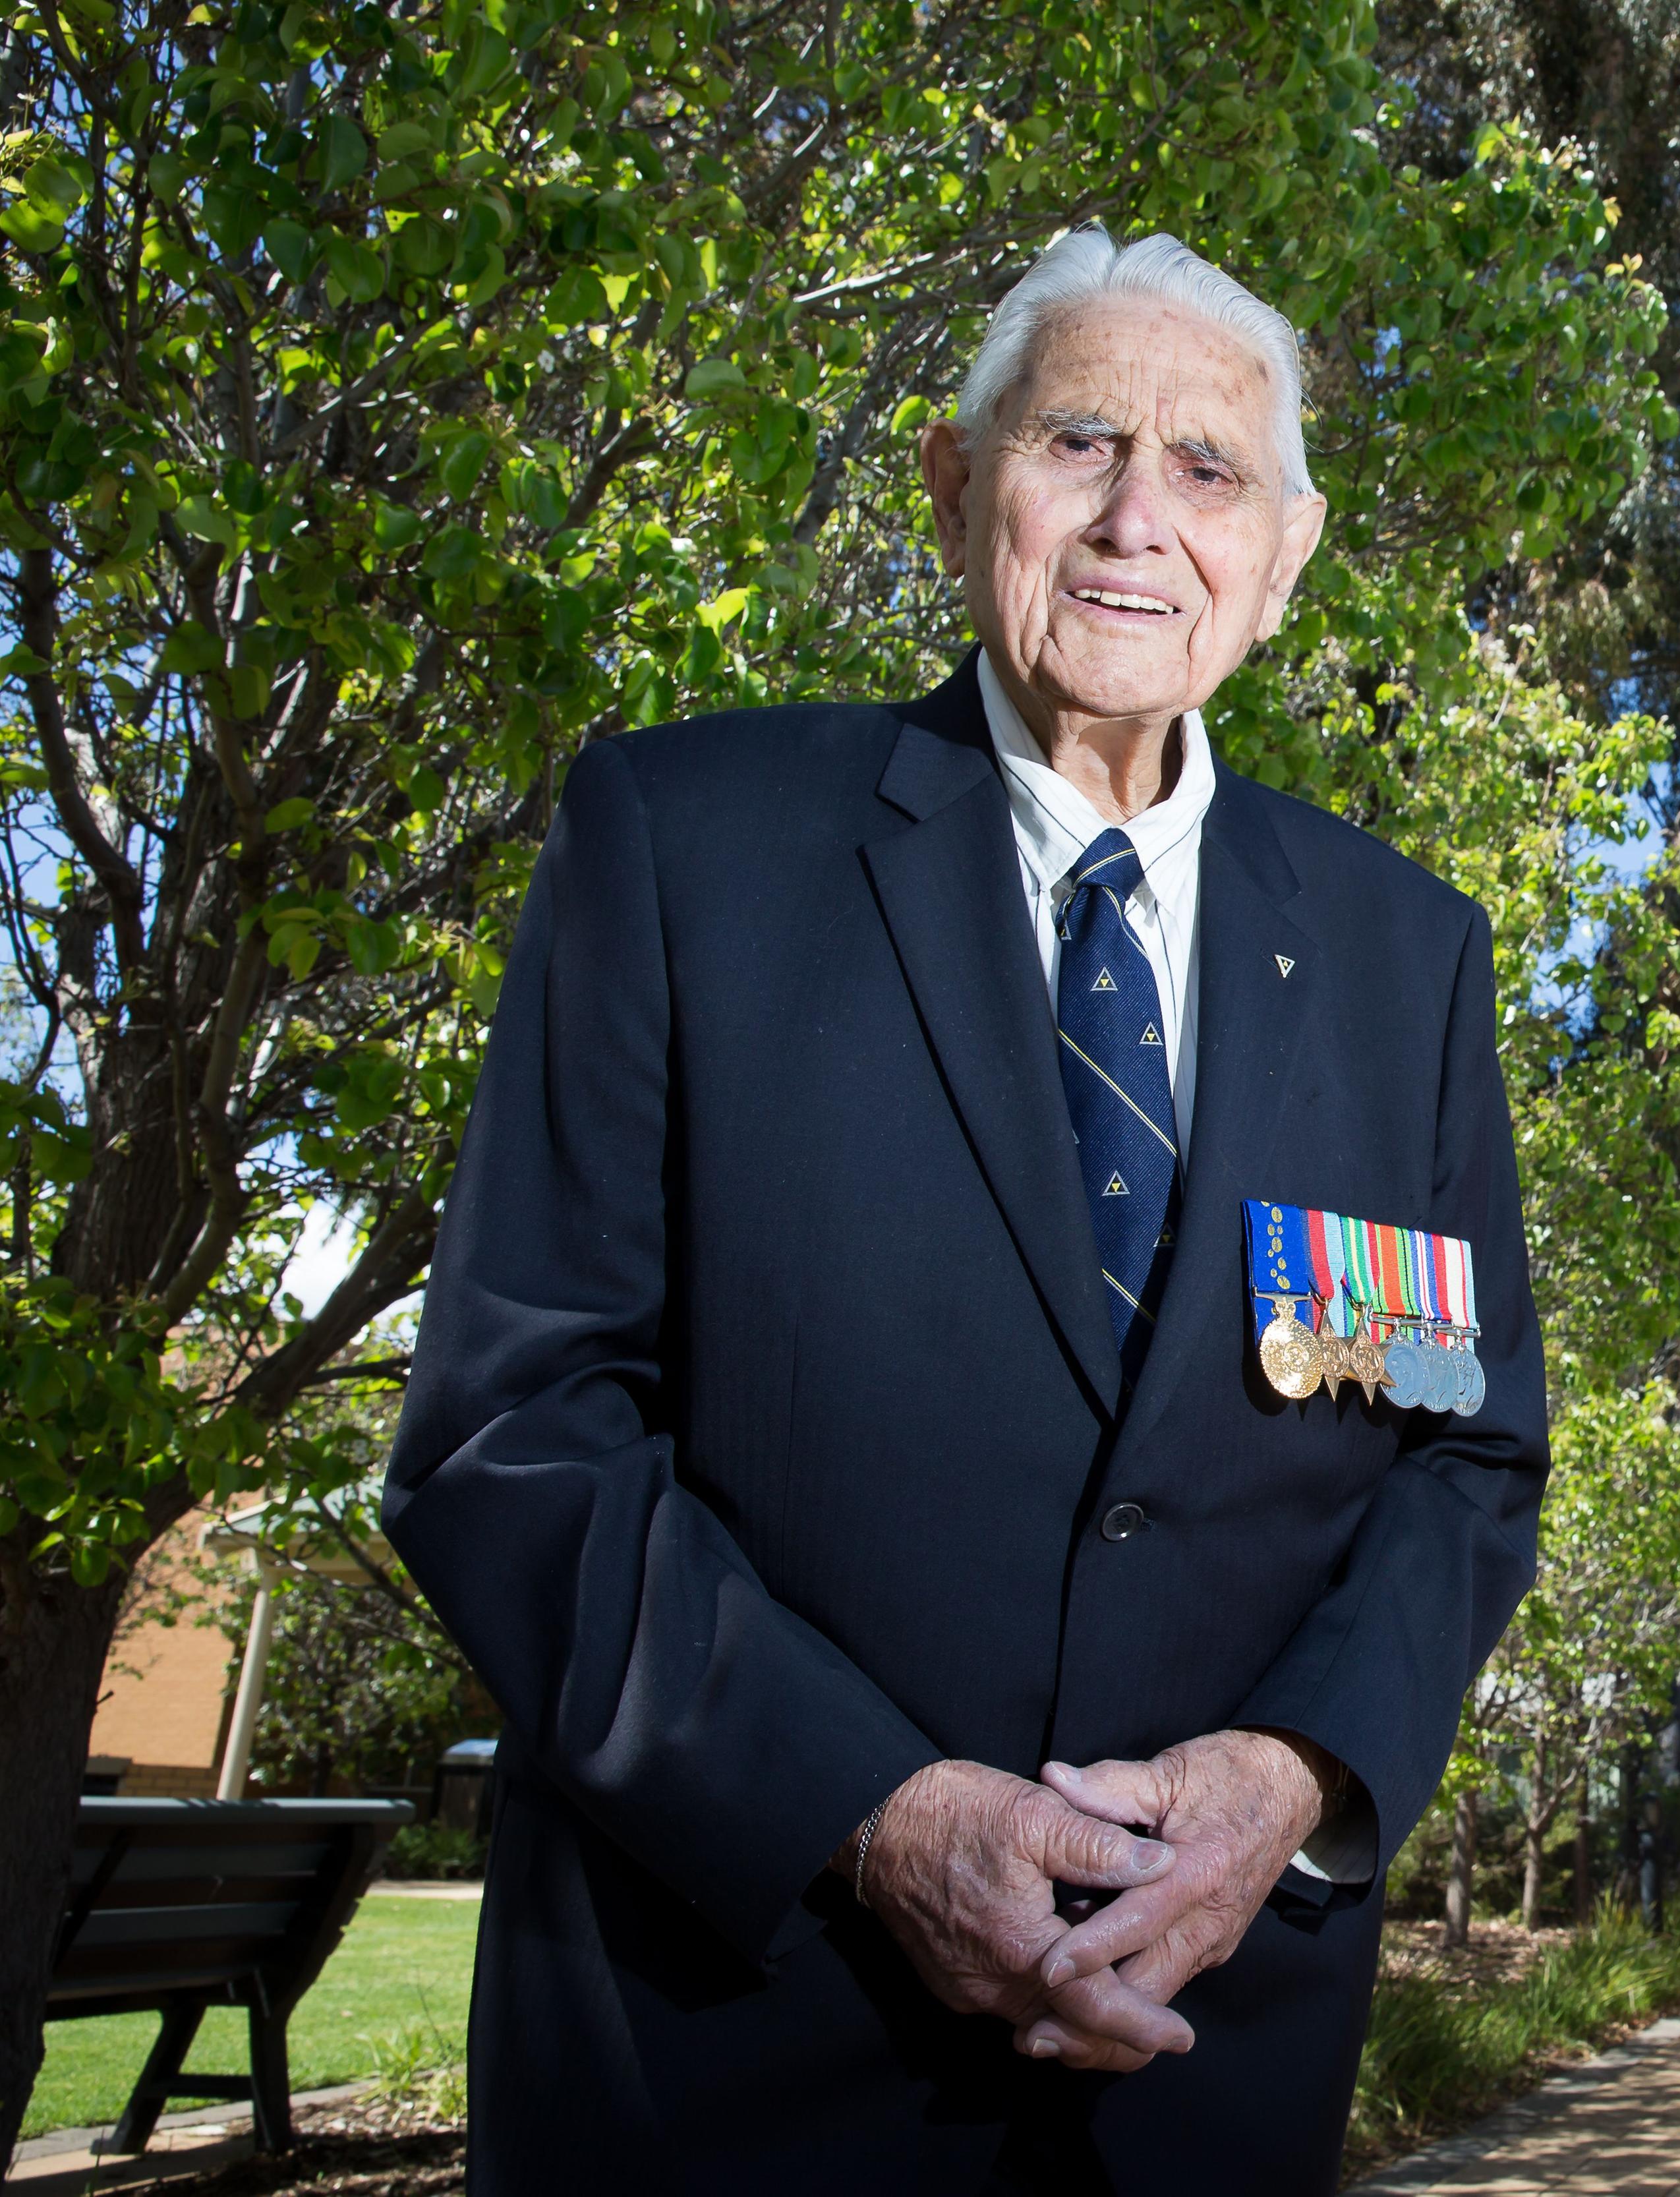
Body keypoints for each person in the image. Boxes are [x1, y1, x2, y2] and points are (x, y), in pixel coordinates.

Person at [385, 226, 1547, 2192]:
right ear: (953, 487)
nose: (1135, 518)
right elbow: (514, 1434)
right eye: (1076, 439)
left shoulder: (1400, 959)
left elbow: (1455, 1457)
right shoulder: (684, 847)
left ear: (1288, 554)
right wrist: (880, 1813)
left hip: (1207, 2073)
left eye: (1209, 470)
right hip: (725, 2060)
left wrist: (1296, 1778)